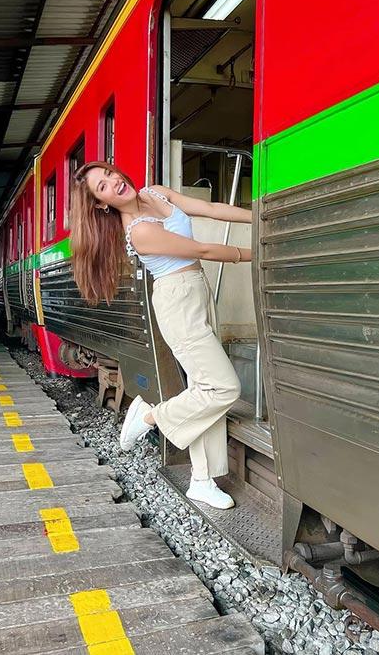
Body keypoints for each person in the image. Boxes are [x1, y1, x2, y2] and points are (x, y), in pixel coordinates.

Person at [70, 160, 252, 509]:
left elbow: (212, 209)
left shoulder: (155, 193)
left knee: (204, 387)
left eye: (109, 174)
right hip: (177, 300)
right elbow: (202, 250)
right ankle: (150, 416)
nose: (114, 182)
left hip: (197, 288)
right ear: (101, 204)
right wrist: (254, 254)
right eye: (103, 187)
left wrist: (257, 217)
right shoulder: (138, 231)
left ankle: (202, 481)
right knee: (222, 387)